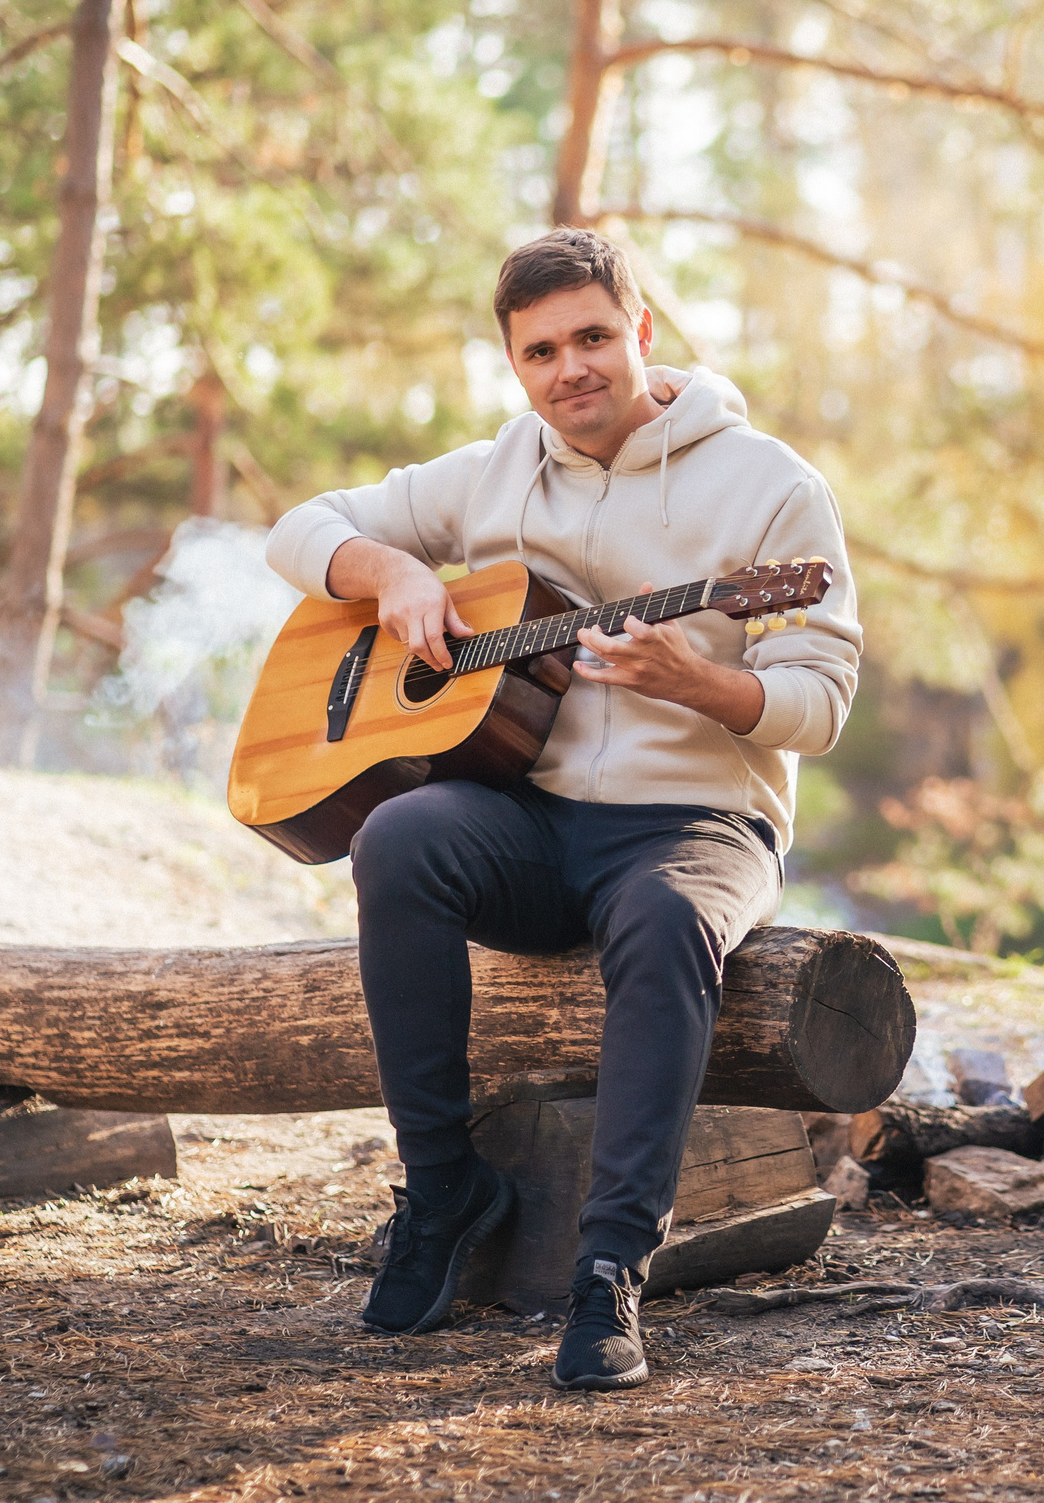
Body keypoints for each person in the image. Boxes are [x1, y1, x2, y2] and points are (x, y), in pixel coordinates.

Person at [263, 228, 860, 1390]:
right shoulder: (492, 471)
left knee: (663, 921)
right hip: (532, 822)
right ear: (515, 364)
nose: (569, 369)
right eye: (540, 351)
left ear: (641, 332)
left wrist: (706, 684)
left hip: (697, 823)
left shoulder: (770, 485)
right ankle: (443, 1190)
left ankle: (609, 1270)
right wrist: (390, 574)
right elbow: (301, 528)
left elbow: (821, 702)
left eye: (592, 337)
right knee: (399, 837)